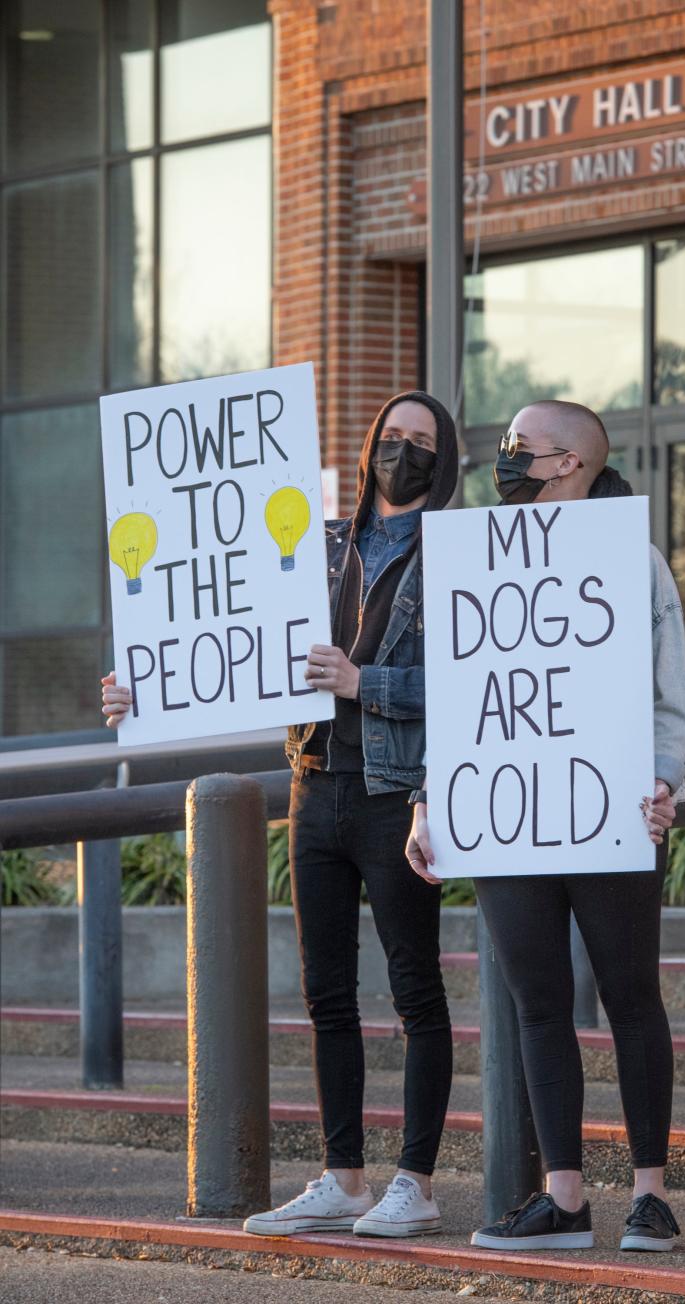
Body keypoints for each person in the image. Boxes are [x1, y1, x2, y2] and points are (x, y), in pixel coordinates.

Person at [103, 391, 460, 1239]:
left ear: (442, 464)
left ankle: (416, 1181)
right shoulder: (312, 543)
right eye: (391, 437)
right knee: (326, 993)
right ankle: (343, 1177)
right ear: (370, 444)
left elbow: (471, 684)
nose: (400, 453)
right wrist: (141, 693)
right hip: (313, 786)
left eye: (420, 443)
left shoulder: (456, 558)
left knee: (416, 991)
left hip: (393, 792)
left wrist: (363, 684)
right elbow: (233, 641)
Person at [405, 399, 685, 1255]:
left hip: (611, 813)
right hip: (508, 815)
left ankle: (651, 1195)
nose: (503, 458)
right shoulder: (475, 560)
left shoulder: (633, 562)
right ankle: (562, 1199)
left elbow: (668, 700)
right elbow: (460, 698)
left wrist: (665, 783)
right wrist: (431, 799)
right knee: (536, 1004)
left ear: (566, 462)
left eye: (518, 448)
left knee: (631, 996)